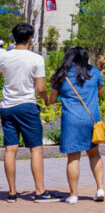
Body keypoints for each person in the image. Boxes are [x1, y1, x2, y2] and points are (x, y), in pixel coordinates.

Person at [0, 23, 61, 202]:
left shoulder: (4, 56)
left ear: (14, 38)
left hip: (7, 106)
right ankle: (40, 191)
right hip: (27, 106)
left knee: (10, 149)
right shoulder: (36, 59)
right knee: (36, 148)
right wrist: (46, 100)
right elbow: (40, 87)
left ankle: (12, 192)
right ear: (30, 39)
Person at [47, 48, 105, 204]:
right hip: (92, 119)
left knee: (73, 157)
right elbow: (100, 93)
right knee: (94, 154)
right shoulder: (94, 72)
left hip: (71, 120)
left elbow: (52, 99)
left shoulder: (61, 75)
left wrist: (63, 97)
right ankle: (100, 188)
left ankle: (73, 195)